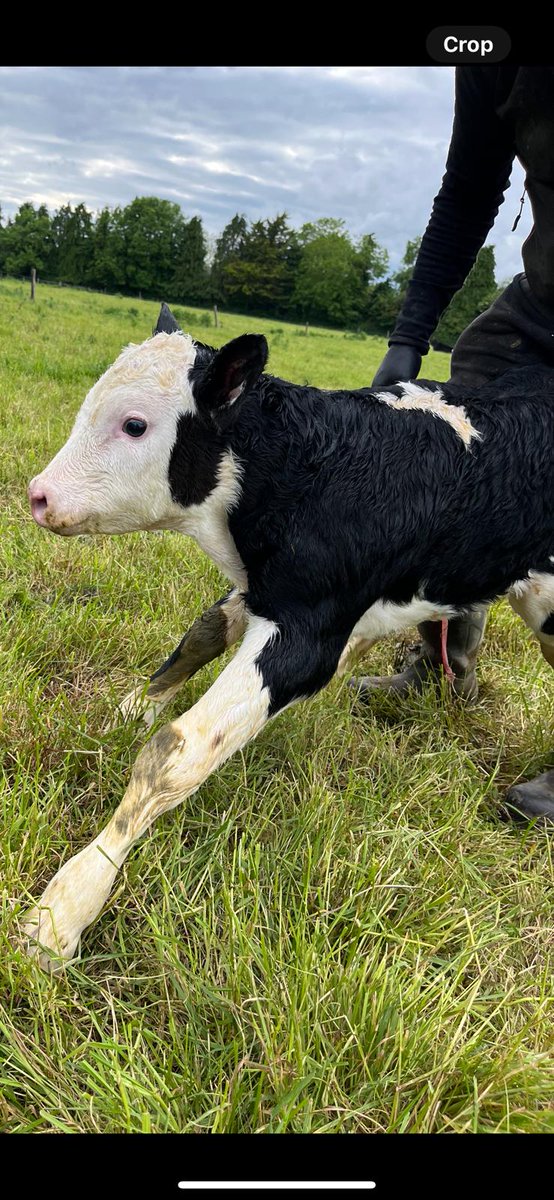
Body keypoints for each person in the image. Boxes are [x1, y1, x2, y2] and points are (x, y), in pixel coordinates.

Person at [354, 65, 554, 820]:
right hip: (544, 308)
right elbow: (471, 186)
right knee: (465, 410)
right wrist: (409, 337)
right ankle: (443, 665)